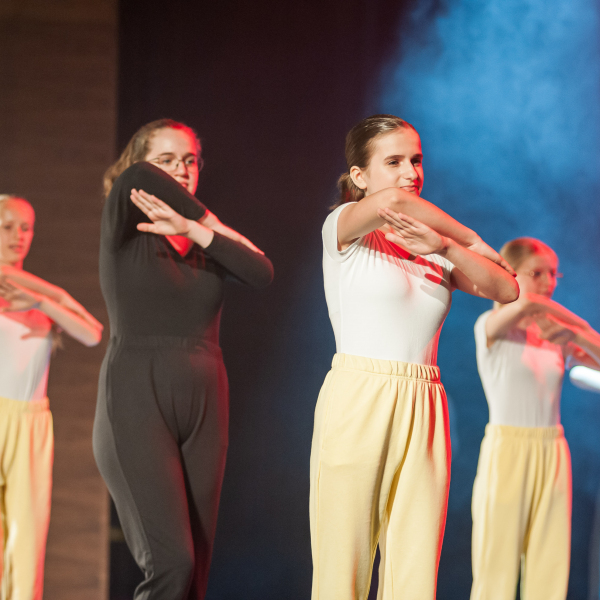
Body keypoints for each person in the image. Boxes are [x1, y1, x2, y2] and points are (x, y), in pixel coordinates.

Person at [310, 114, 519, 600]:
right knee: (344, 567)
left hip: (425, 399)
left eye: (417, 160)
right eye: (394, 162)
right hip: (359, 395)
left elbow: (507, 289)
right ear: (360, 176)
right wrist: (470, 238)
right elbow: (394, 203)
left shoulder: (433, 246)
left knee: (414, 570)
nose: (411, 172)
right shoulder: (343, 228)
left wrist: (446, 246)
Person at [93, 119, 273, 600]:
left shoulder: (202, 241)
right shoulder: (125, 222)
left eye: (190, 161)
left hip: (207, 397)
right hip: (138, 395)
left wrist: (196, 229)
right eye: (167, 160)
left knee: (196, 576)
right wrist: (208, 220)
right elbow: (138, 178)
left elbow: (261, 271)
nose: (181, 170)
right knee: (172, 562)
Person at [471, 237, 600, 600]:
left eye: (554, 274)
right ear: (510, 273)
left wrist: (577, 335)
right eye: (538, 273)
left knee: (549, 564)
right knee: (496, 562)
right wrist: (572, 321)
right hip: (507, 450)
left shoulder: (555, 334)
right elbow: (527, 302)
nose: (549, 282)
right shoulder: (490, 325)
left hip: (552, 449)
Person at [0, 194, 103, 600]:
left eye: (26, 228)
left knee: (28, 539)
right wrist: (47, 292)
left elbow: (92, 333)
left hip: (31, 422)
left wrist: (44, 301)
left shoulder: (38, 296)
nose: (18, 236)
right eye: (8, 226)